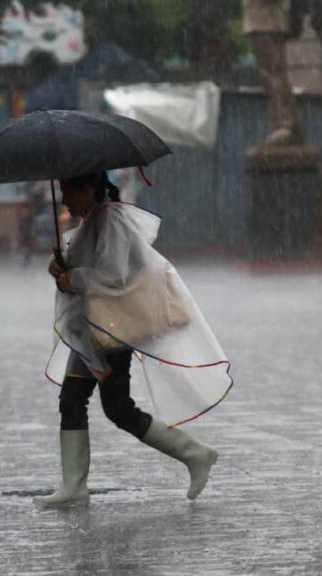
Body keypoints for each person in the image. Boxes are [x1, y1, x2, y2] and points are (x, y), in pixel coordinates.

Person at [37, 172, 232, 507]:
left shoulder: (110, 221)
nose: (64, 198)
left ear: (88, 188)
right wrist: (62, 268)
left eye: (67, 190)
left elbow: (116, 275)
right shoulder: (93, 221)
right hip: (92, 328)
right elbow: (90, 268)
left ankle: (195, 454)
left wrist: (75, 278)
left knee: (109, 407)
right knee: (85, 402)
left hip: (110, 330)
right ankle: (75, 486)